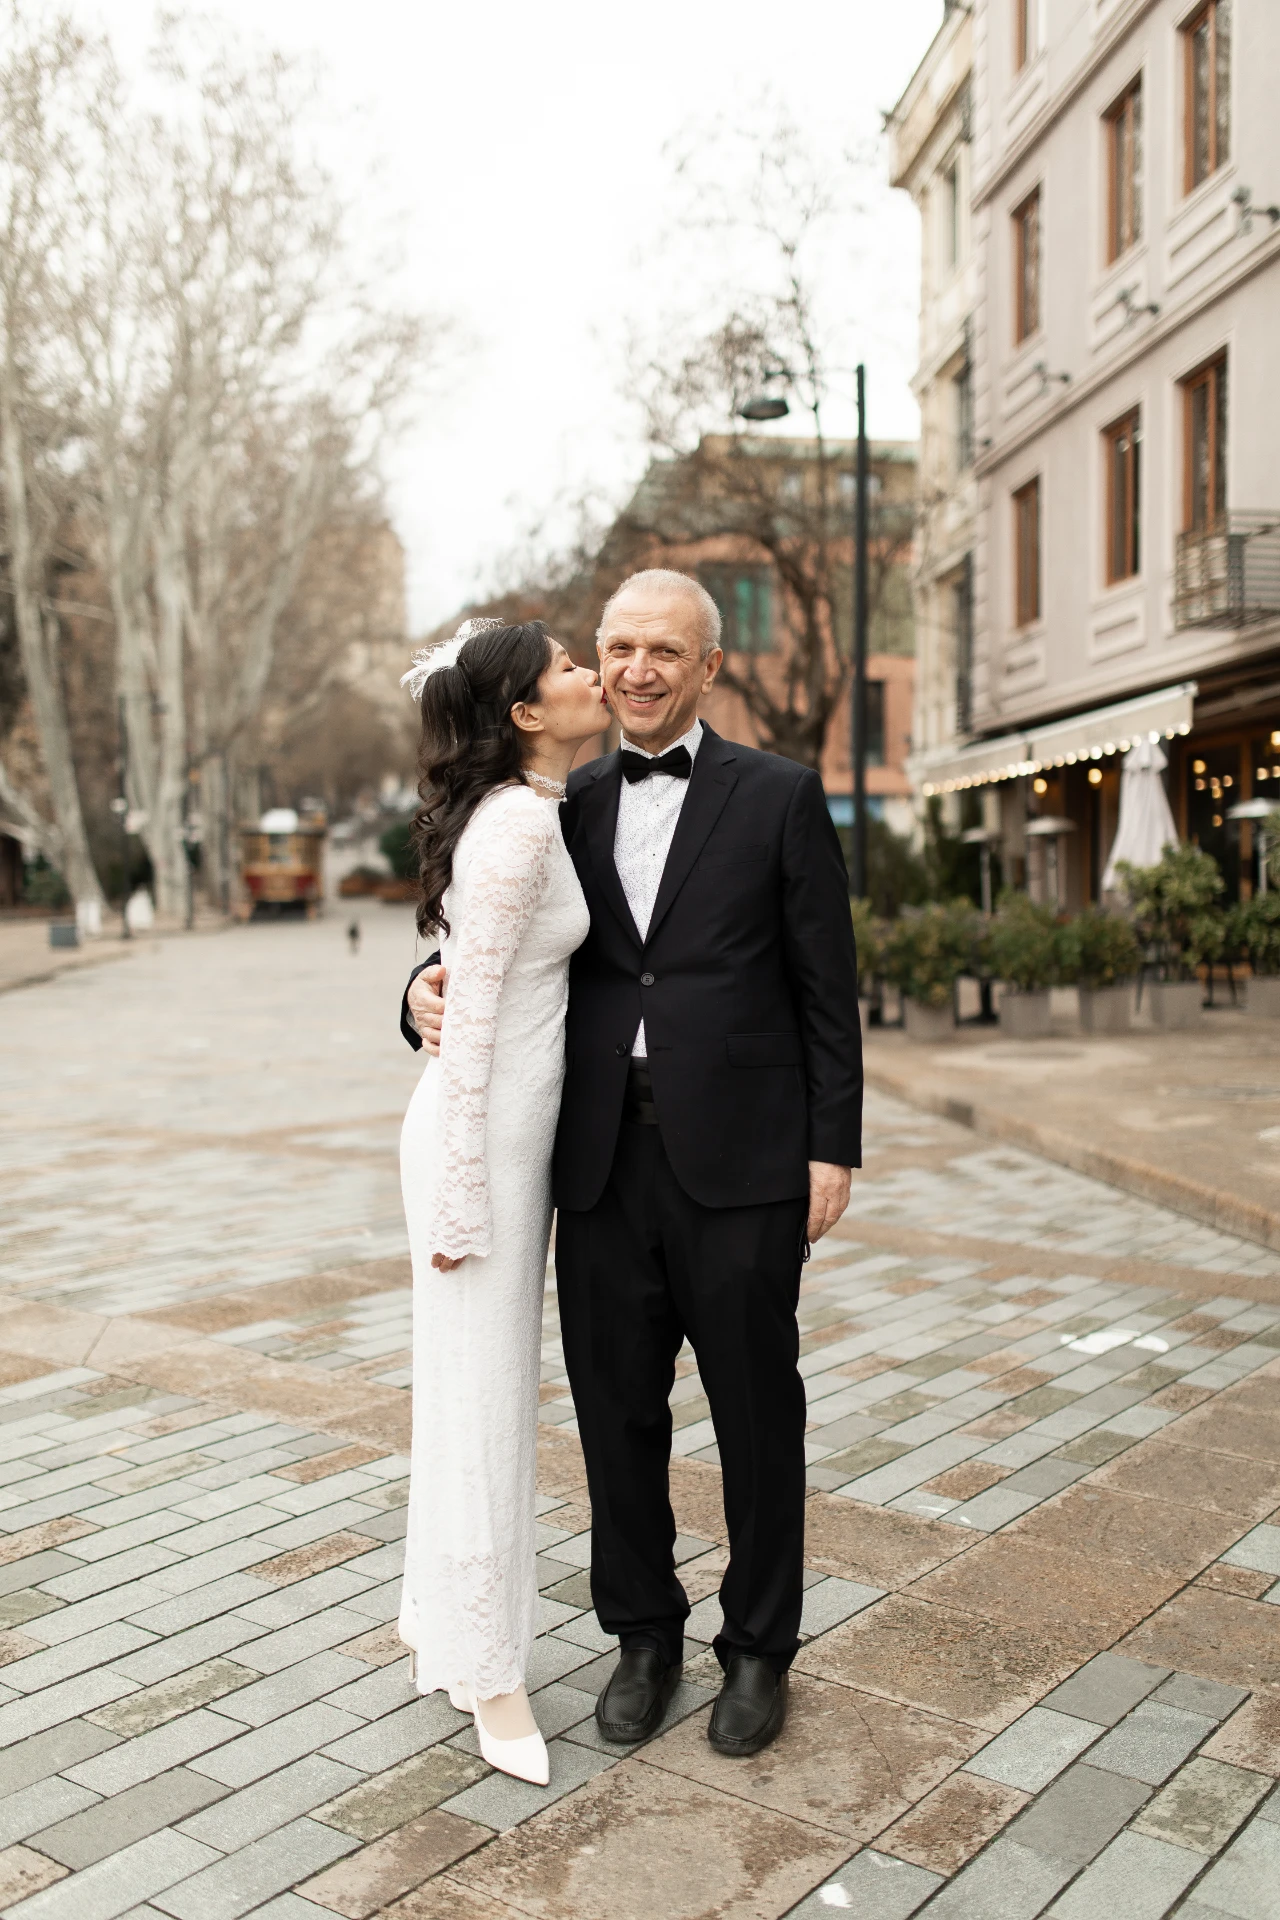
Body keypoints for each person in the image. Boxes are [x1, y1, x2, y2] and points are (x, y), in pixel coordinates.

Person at [404, 569, 862, 1760]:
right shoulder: (557, 797)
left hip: (747, 1159)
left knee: (757, 1415)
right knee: (614, 1418)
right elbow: (477, 929)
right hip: (595, 1155)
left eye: (663, 650)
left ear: (709, 665)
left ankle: (757, 1649)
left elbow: (826, 986)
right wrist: (412, 997)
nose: (635, 670)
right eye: (615, 648)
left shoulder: (779, 796)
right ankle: (642, 1639)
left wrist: (832, 1145)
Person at [397, 616, 604, 1786]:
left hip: (494, 1147)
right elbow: (468, 1020)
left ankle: (441, 1620)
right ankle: (489, 1675)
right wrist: (463, 1204)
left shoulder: (524, 808)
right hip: (476, 1152)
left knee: (468, 1393)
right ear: (524, 712)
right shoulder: (519, 821)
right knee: (482, 1406)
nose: (590, 674)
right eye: (569, 667)